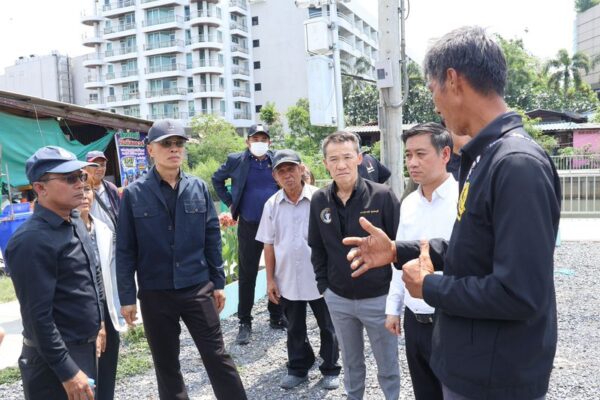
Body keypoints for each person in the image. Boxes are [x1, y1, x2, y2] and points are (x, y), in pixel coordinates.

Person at [344, 26, 561, 400]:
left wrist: (429, 287)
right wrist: (397, 251)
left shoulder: (517, 165)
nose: (435, 105)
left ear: (453, 80)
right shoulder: (486, 157)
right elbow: (474, 249)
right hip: (473, 362)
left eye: (433, 90)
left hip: (495, 377)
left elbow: (519, 292)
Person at [117, 119, 246, 400]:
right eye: (166, 144)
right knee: (166, 364)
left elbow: (212, 238)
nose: (174, 149)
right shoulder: (134, 194)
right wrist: (127, 297)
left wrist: (218, 283)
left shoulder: (198, 188)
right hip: (155, 292)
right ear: (151, 150)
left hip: (196, 287)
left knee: (216, 354)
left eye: (178, 144)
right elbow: (125, 249)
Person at [308, 131, 401, 400]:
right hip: (338, 298)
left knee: (387, 365)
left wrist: (396, 298)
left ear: (359, 158)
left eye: (347, 157)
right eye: (334, 159)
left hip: (379, 298)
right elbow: (317, 247)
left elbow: (400, 247)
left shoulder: (382, 196)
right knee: (351, 364)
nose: (341, 165)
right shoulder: (319, 200)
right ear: (325, 163)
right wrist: (325, 288)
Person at [5, 146, 102, 400]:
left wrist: (99, 325)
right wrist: (67, 371)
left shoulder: (74, 221)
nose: (80, 184)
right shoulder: (31, 241)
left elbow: (92, 276)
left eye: (81, 176)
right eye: (69, 178)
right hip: (53, 362)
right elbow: (37, 318)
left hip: (85, 348)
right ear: (40, 188)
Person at [255, 150, 341, 390]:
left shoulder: (322, 198)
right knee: (294, 327)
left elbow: (334, 238)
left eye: (291, 169)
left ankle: (330, 367)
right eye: (281, 171)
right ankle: (298, 367)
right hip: (287, 277)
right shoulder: (272, 205)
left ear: (302, 169)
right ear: (275, 176)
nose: (287, 175)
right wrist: (270, 280)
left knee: (328, 325)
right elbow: (268, 244)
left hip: (320, 277)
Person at [384, 123, 458, 400]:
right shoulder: (409, 204)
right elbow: (399, 259)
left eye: (420, 154)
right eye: (408, 155)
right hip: (414, 319)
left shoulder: (464, 199)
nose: (412, 163)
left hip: (451, 317)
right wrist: (393, 308)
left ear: (445, 154)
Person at [212, 123, 285, 345]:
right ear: (248, 141)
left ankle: (276, 315)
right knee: (247, 274)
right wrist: (231, 203)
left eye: (263, 139)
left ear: (269, 142)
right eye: (255, 139)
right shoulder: (236, 160)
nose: (259, 143)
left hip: (276, 224)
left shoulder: (277, 159)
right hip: (249, 224)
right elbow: (216, 179)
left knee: (278, 270)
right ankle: (245, 321)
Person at [78, 176, 128, 400]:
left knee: (107, 368)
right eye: (79, 189)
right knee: (85, 375)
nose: (84, 195)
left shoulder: (103, 229)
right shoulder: (65, 231)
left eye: (88, 189)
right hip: (81, 311)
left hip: (106, 307)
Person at [85, 151, 120, 232]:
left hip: (113, 237)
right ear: (86, 167)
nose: (100, 169)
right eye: (95, 165)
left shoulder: (111, 189)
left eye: (103, 165)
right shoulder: (79, 189)